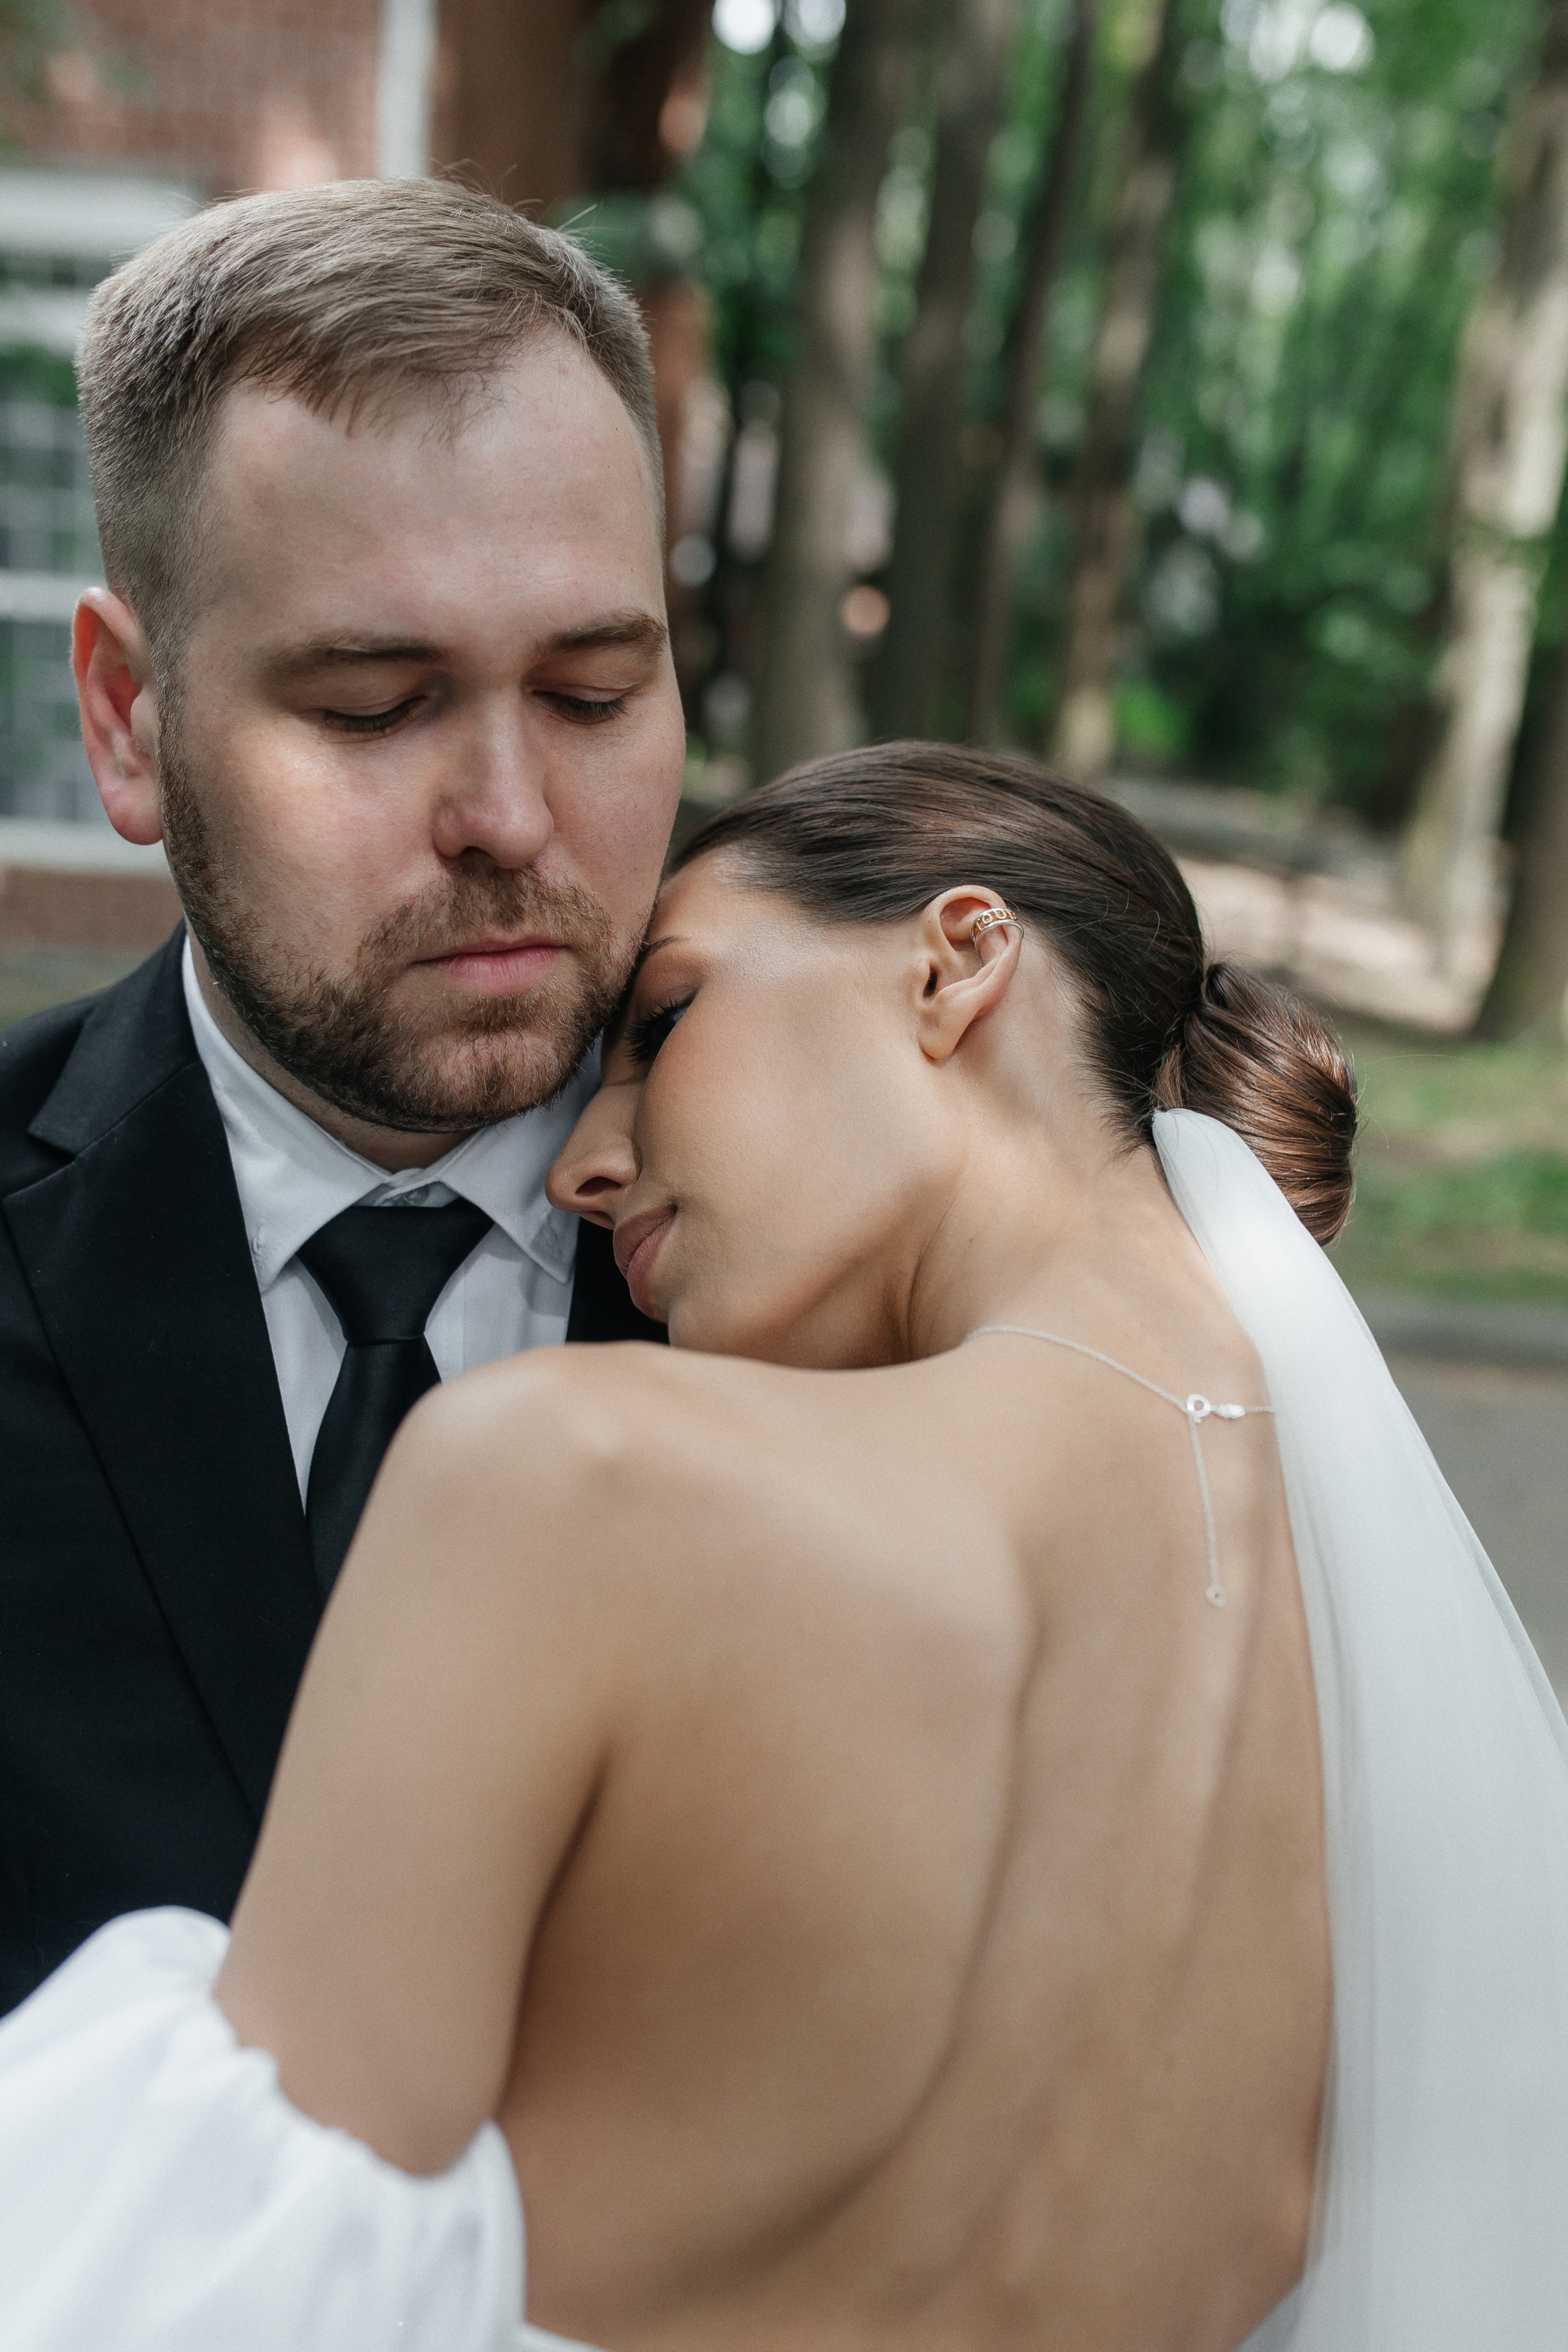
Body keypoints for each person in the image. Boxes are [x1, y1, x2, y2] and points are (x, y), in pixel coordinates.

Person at [6, 744, 1568, 2352]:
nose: (580, 1165)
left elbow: (213, 2291)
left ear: (956, 963)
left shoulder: (572, 1487)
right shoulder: (1403, 1691)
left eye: (665, 1023)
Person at [0, 179, 678, 2013]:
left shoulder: (883, 1294)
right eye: (374, 706)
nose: (510, 820)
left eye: (595, 693)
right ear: (129, 720)